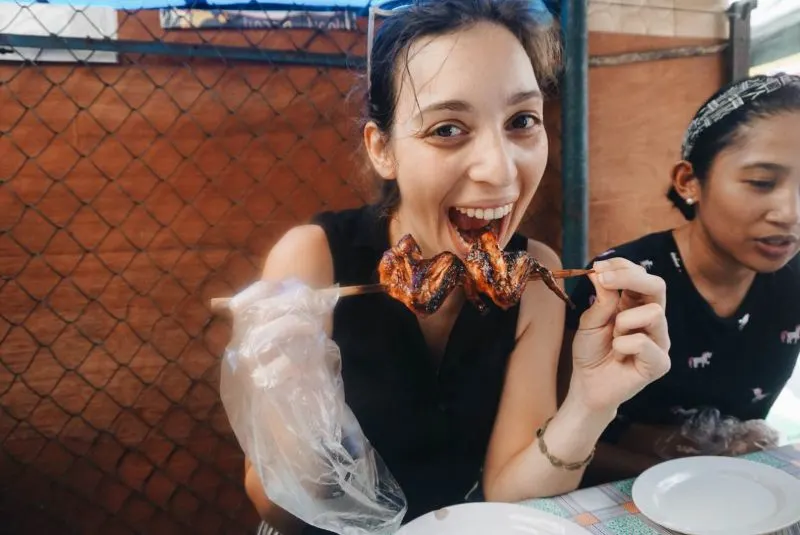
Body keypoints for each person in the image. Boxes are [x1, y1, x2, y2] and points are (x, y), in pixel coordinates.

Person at [242, 1, 671, 533]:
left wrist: (590, 404)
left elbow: (509, 491)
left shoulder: (536, 274)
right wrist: (298, 417)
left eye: (522, 121)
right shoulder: (312, 261)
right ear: (383, 149)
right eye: (447, 129)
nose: (500, 169)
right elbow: (277, 509)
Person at [560, 73, 800, 487]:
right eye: (762, 183)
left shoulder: (791, 282)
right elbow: (558, 430)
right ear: (689, 181)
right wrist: (688, 476)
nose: (790, 212)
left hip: (738, 498)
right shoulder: (620, 282)